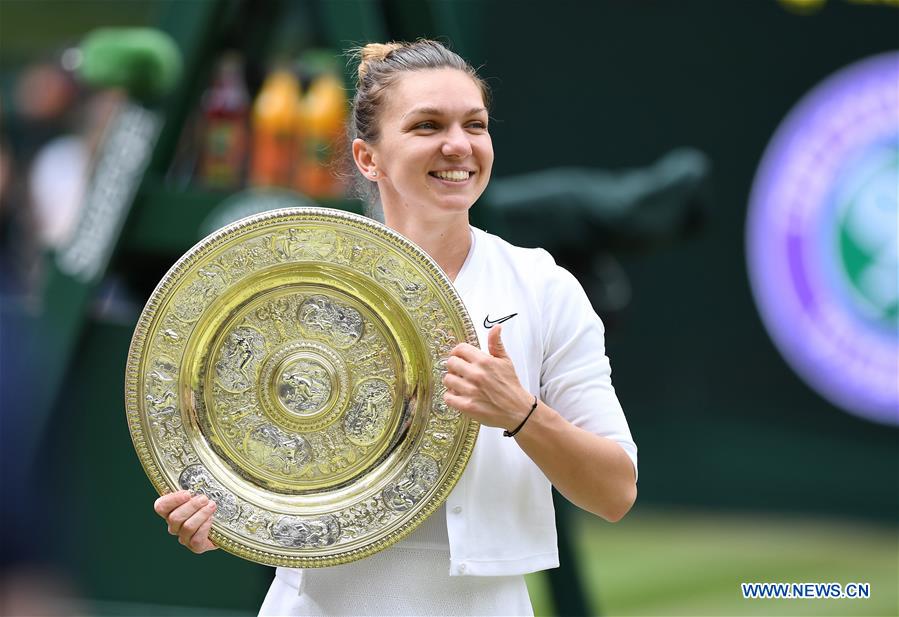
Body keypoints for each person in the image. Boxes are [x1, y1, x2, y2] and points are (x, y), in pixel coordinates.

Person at [153, 39, 638, 616]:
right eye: (427, 125)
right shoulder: (298, 282)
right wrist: (218, 517)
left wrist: (521, 413)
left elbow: (614, 493)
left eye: (475, 124)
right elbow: (242, 460)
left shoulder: (542, 287)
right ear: (368, 158)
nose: (458, 145)